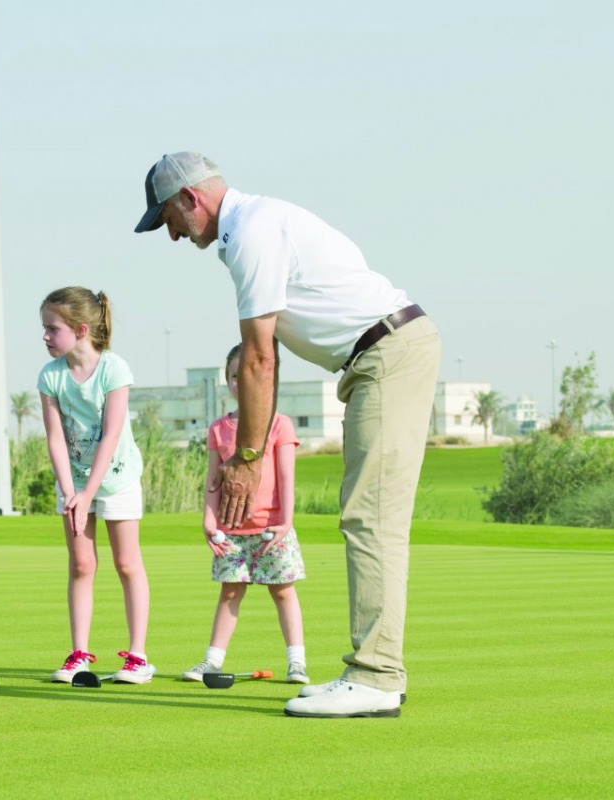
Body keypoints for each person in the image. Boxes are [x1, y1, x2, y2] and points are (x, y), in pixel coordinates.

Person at [135, 152, 441, 718]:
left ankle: (376, 676)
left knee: (370, 517)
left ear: (189, 199)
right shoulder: (256, 223)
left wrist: (247, 459)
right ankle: (376, 671)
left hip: (387, 354)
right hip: (380, 355)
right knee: (368, 516)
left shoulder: (251, 232)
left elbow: (257, 359)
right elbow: (264, 358)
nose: (172, 235)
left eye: (169, 221)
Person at [38, 287, 154, 684]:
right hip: (73, 482)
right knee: (82, 564)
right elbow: (55, 437)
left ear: (81, 329)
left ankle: (137, 657)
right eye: (45, 328)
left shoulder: (114, 369)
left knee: (126, 563)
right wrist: (72, 492)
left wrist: (89, 494)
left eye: (52, 328)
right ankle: (79, 654)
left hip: (117, 479)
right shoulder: (50, 375)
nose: (46, 336)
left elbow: (110, 433)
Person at [184, 343, 308, 685]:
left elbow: (286, 477)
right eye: (234, 376)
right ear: (227, 381)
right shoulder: (218, 429)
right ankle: (212, 661)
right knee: (229, 592)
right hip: (231, 530)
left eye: (249, 375)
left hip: (272, 530)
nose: (242, 382)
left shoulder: (281, 425)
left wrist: (286, 521)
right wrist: (209, 520)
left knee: (283, 591)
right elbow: (213, 480)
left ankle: (296, 662)